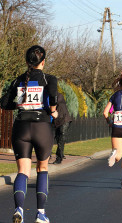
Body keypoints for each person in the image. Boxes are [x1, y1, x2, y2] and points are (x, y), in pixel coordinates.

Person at [0, 45, 57, 223]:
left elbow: (5, 103)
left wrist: (20, 101)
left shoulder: (18, 80)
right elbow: (53, 99)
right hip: (42, 127)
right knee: (42, 169)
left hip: (21, 127)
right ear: (44, 62)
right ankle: (40, 213)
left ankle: (19, 209)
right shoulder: (50, 79)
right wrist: (53, 111)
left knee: (23, 171)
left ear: (27, 62)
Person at [53, 93, 72, 164]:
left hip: (64, 120)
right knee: (57, 138)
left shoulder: (59, 95)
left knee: (61, 138)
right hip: (56, 121)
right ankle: (60, 154)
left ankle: (59, 158)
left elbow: (56, 101)